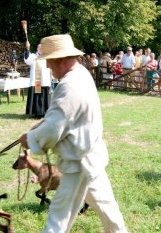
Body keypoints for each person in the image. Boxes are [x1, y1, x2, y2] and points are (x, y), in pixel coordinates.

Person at [19, 34, 128, 233]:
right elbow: (67, 117)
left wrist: (31, 138)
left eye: (49, 62)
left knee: (58, 218)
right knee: (107, 208)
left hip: (77, 163)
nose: (48, 67)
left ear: (60, 59)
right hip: (90, 156)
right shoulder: (81, 73)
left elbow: (54, 129)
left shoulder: (69, 85)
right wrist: (41, 125)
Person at [24, 41, 52, 117]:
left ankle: (45, 113)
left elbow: (50, 69)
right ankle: (37, 113)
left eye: (42, 48)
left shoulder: (46, 57)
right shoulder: (33, 56)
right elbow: (27, 60)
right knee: (37, 95)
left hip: (45, 81)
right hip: (36, 82)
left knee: (45, 97)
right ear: (37, 48)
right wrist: (27, 48)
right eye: (40, 48)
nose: (41, 49)